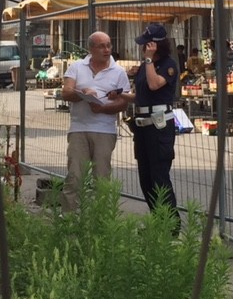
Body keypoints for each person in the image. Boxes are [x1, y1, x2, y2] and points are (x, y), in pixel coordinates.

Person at [60, 31, 131, 212]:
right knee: (75, 176)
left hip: (104, 130)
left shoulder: (119, 72)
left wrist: (103, 109)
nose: (106, 50)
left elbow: (123, 102)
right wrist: (83, 93)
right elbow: (66, 92)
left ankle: (101, 218)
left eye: (108, 45)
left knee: (102, 178)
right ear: (91, 49)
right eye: (101, 46)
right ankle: (68, 218)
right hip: (79, 128)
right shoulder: (77, 67)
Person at [124, 23, 180, 232]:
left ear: (155, 45)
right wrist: (120, 95)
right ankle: (157, 221)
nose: (142, 48)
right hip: (142, 126)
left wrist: (148, 60)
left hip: (159, 126)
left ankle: (171, 225)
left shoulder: (168, 64)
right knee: (145, 178)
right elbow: (141, 95)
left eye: (146, 44)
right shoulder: (145, 66)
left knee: (159, 177)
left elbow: (155, 85)